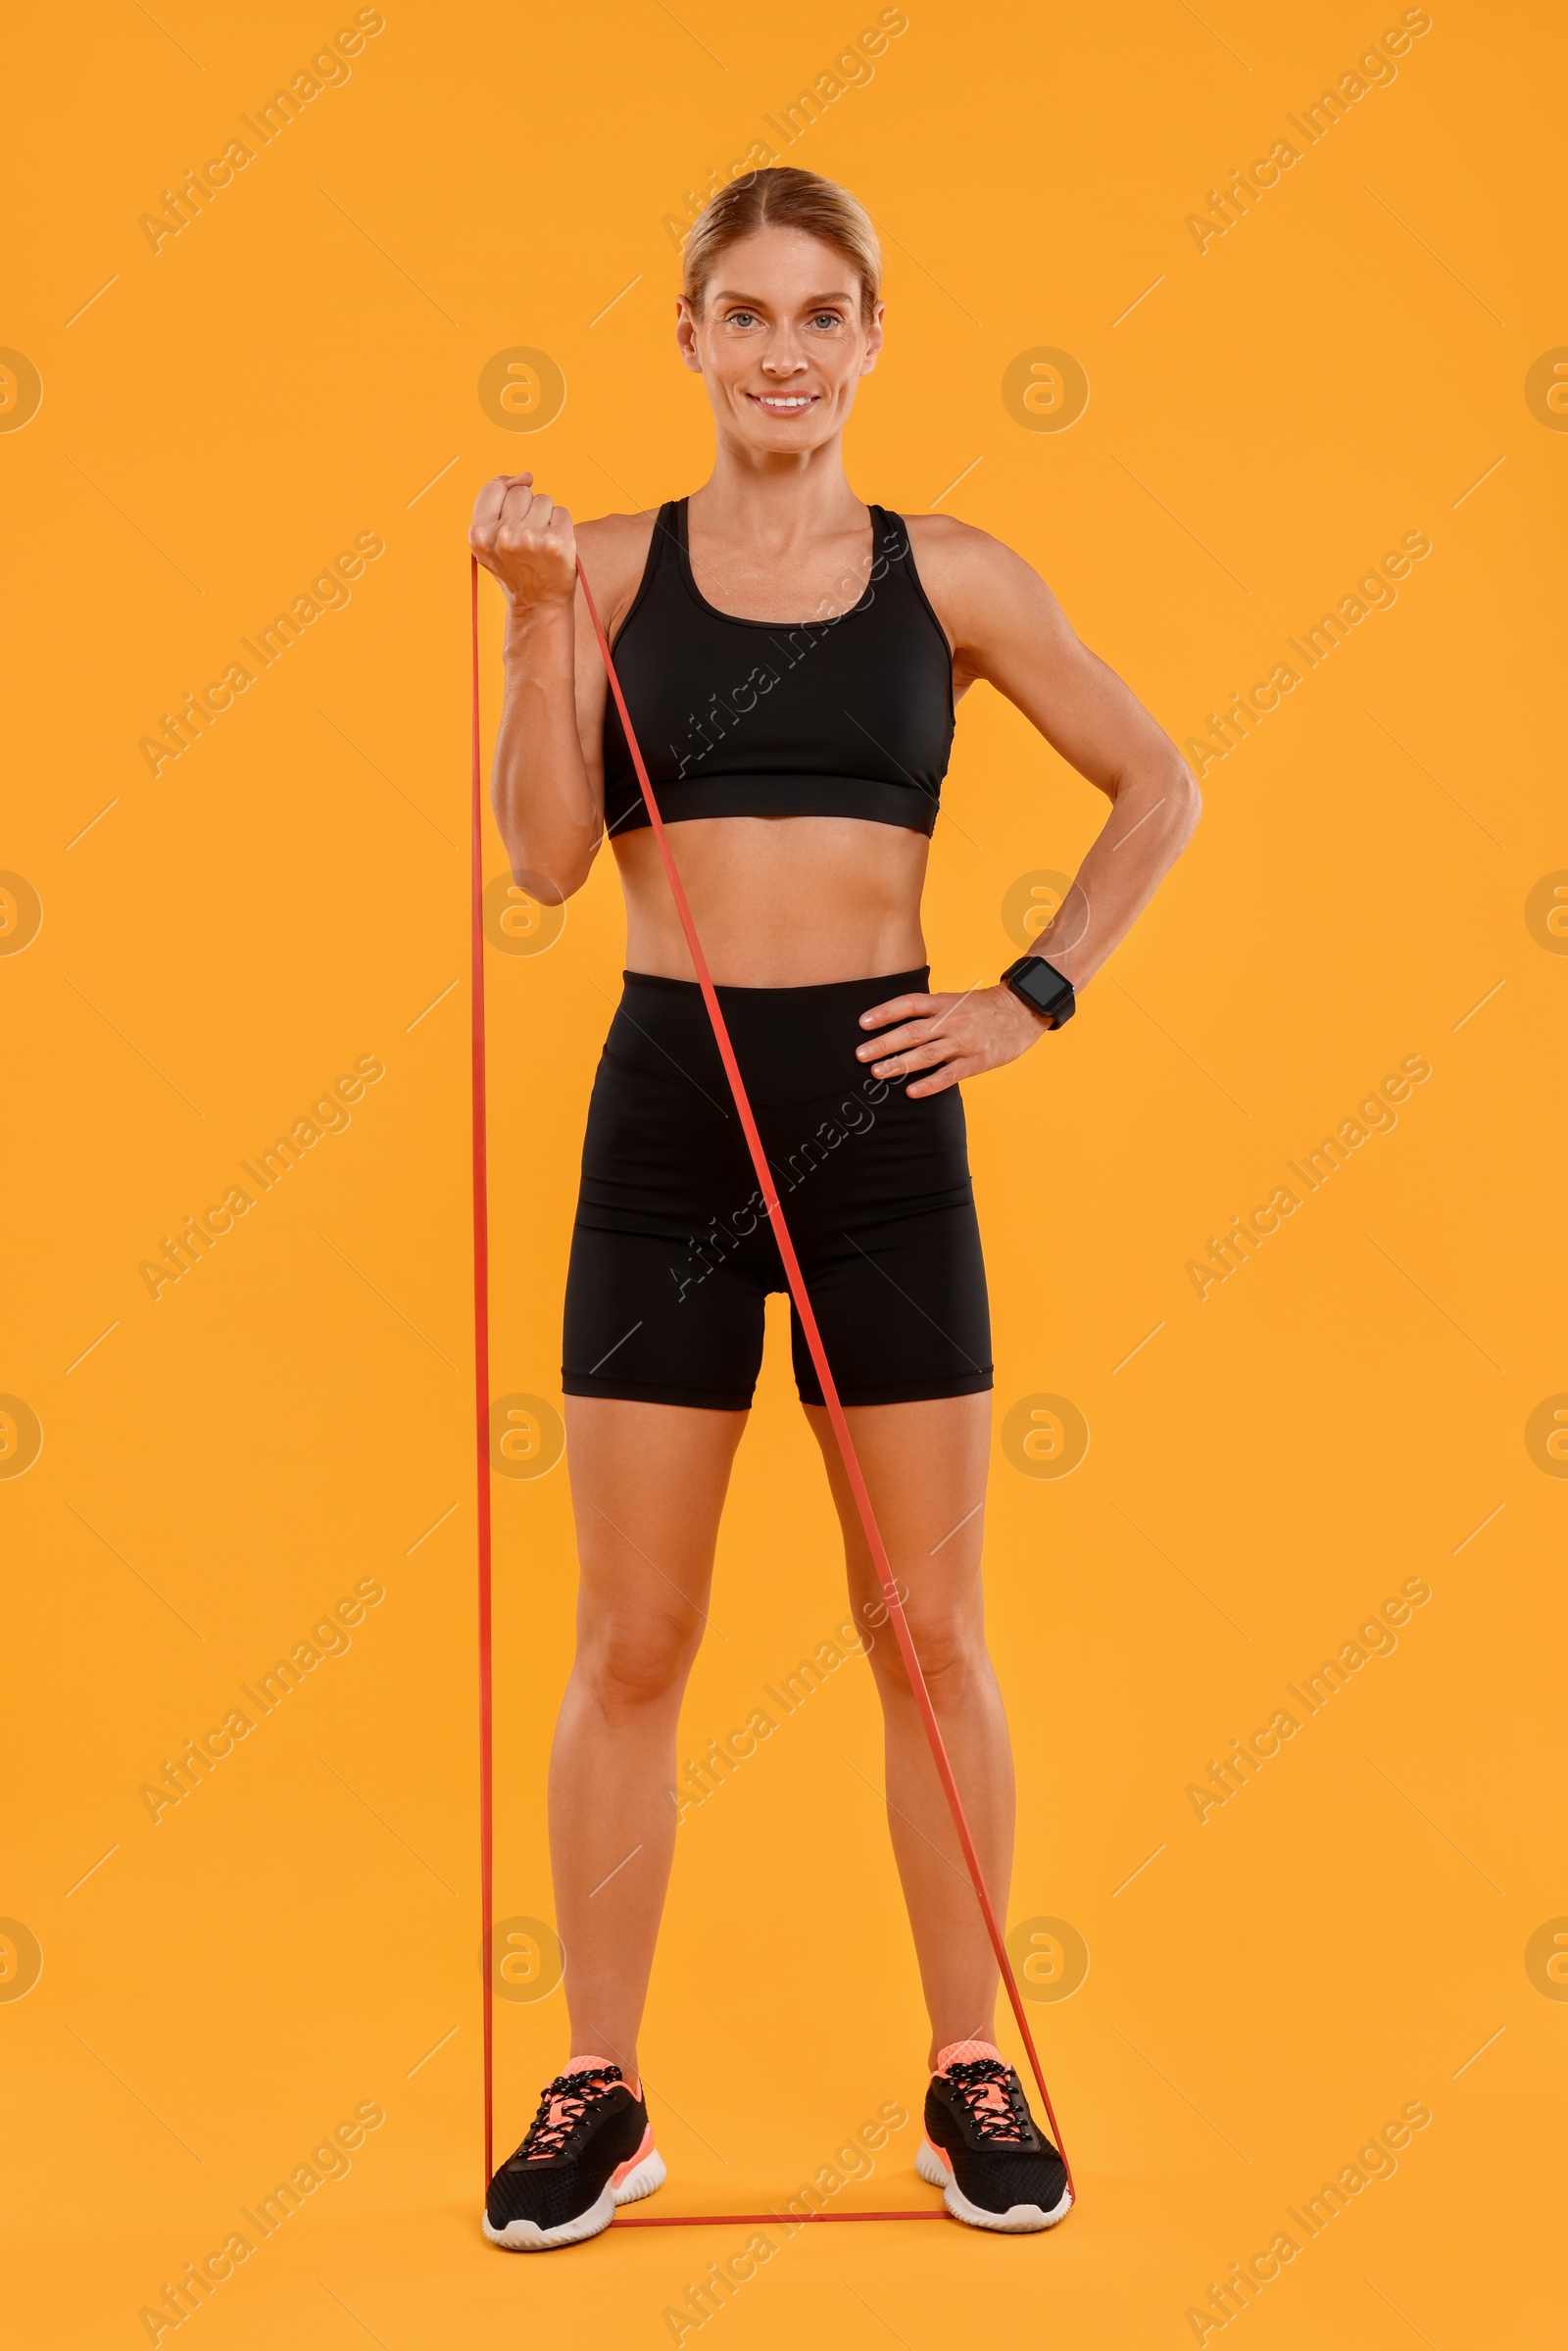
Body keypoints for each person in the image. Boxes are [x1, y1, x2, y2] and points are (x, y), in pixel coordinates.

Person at [470, 166, 1199, 2252]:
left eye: (818, 317)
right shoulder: (599, 571)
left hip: (879, 1126)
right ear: (685, 338)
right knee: (632, 1638)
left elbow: (1157, 780)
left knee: (923, 1626)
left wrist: (1031, 994)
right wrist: (534, 624)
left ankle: (965, 2067)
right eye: (744, 315)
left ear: (867, 342)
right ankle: (599, 2094)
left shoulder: (950, 578)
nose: (780, 353)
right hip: (668, 1120)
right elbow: (536, 863)